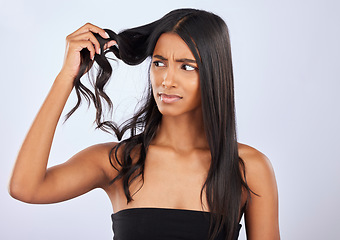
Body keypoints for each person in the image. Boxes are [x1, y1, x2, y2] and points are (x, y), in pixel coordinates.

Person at [9, 8, 280, 240]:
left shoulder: (247, 168)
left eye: (186, 67)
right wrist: (66, 76)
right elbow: (25, 187)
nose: (166, 80)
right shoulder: (118, 161)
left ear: (214, 72)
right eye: (160, 63)